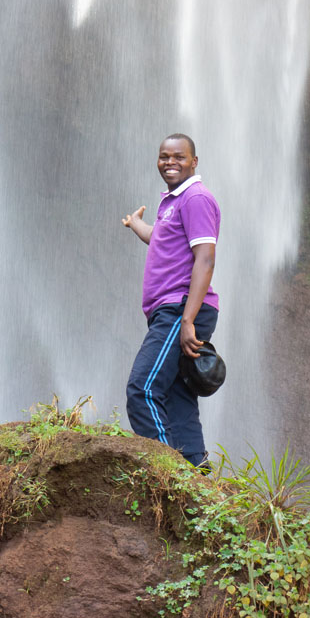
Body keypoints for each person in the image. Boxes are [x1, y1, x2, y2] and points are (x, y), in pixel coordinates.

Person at [122, 133, 220, 467]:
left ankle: (171, 477)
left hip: (181, 309)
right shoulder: (173, 202)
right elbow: (163, 240)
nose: (170, 162)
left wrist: (188, 319)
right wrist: (137, 225)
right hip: (175, 310)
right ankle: (197, 474)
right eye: (164, 156)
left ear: (195, 161)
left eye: (179, 157)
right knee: (177, 399)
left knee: (143, 390)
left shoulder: (195, 198)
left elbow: (205, 259)